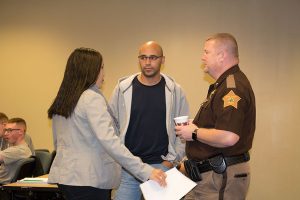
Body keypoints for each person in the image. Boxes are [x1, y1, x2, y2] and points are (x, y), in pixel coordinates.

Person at [47, 47, 167, 200]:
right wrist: (145, 171)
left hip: (66, 177)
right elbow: (110, 142)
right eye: (102, 67)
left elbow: (58, 143)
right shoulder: (91, 98)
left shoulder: (63, 99)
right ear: (91, 70)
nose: (104, 73)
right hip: (89, 179)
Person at [175, 33, 256, 200]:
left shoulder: (231, 88)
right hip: (210, 176)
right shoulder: (223, 85)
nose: (202, 57)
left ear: (221, 56)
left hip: (220, 177)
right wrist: (195, 127)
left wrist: (194, 133)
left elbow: (228, 136)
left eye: (206, 52)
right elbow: (219, 128)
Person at [110, 41, 189, 200]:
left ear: (163, 60)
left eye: (153, 57)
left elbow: (184, 131)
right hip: (130, 167)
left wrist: (171, 162)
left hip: (162, 167)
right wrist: (124, 160)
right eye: (143, 57)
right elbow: (111, 128)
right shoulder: (123, 89)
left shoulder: (175, 91)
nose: (147, 62)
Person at [0, 117, 33, 184]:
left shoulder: (18, 150)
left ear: (20, 131)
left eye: (9, 130)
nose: (6, 133)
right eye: (5, 130)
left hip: (3, 187)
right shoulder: (23, 149)